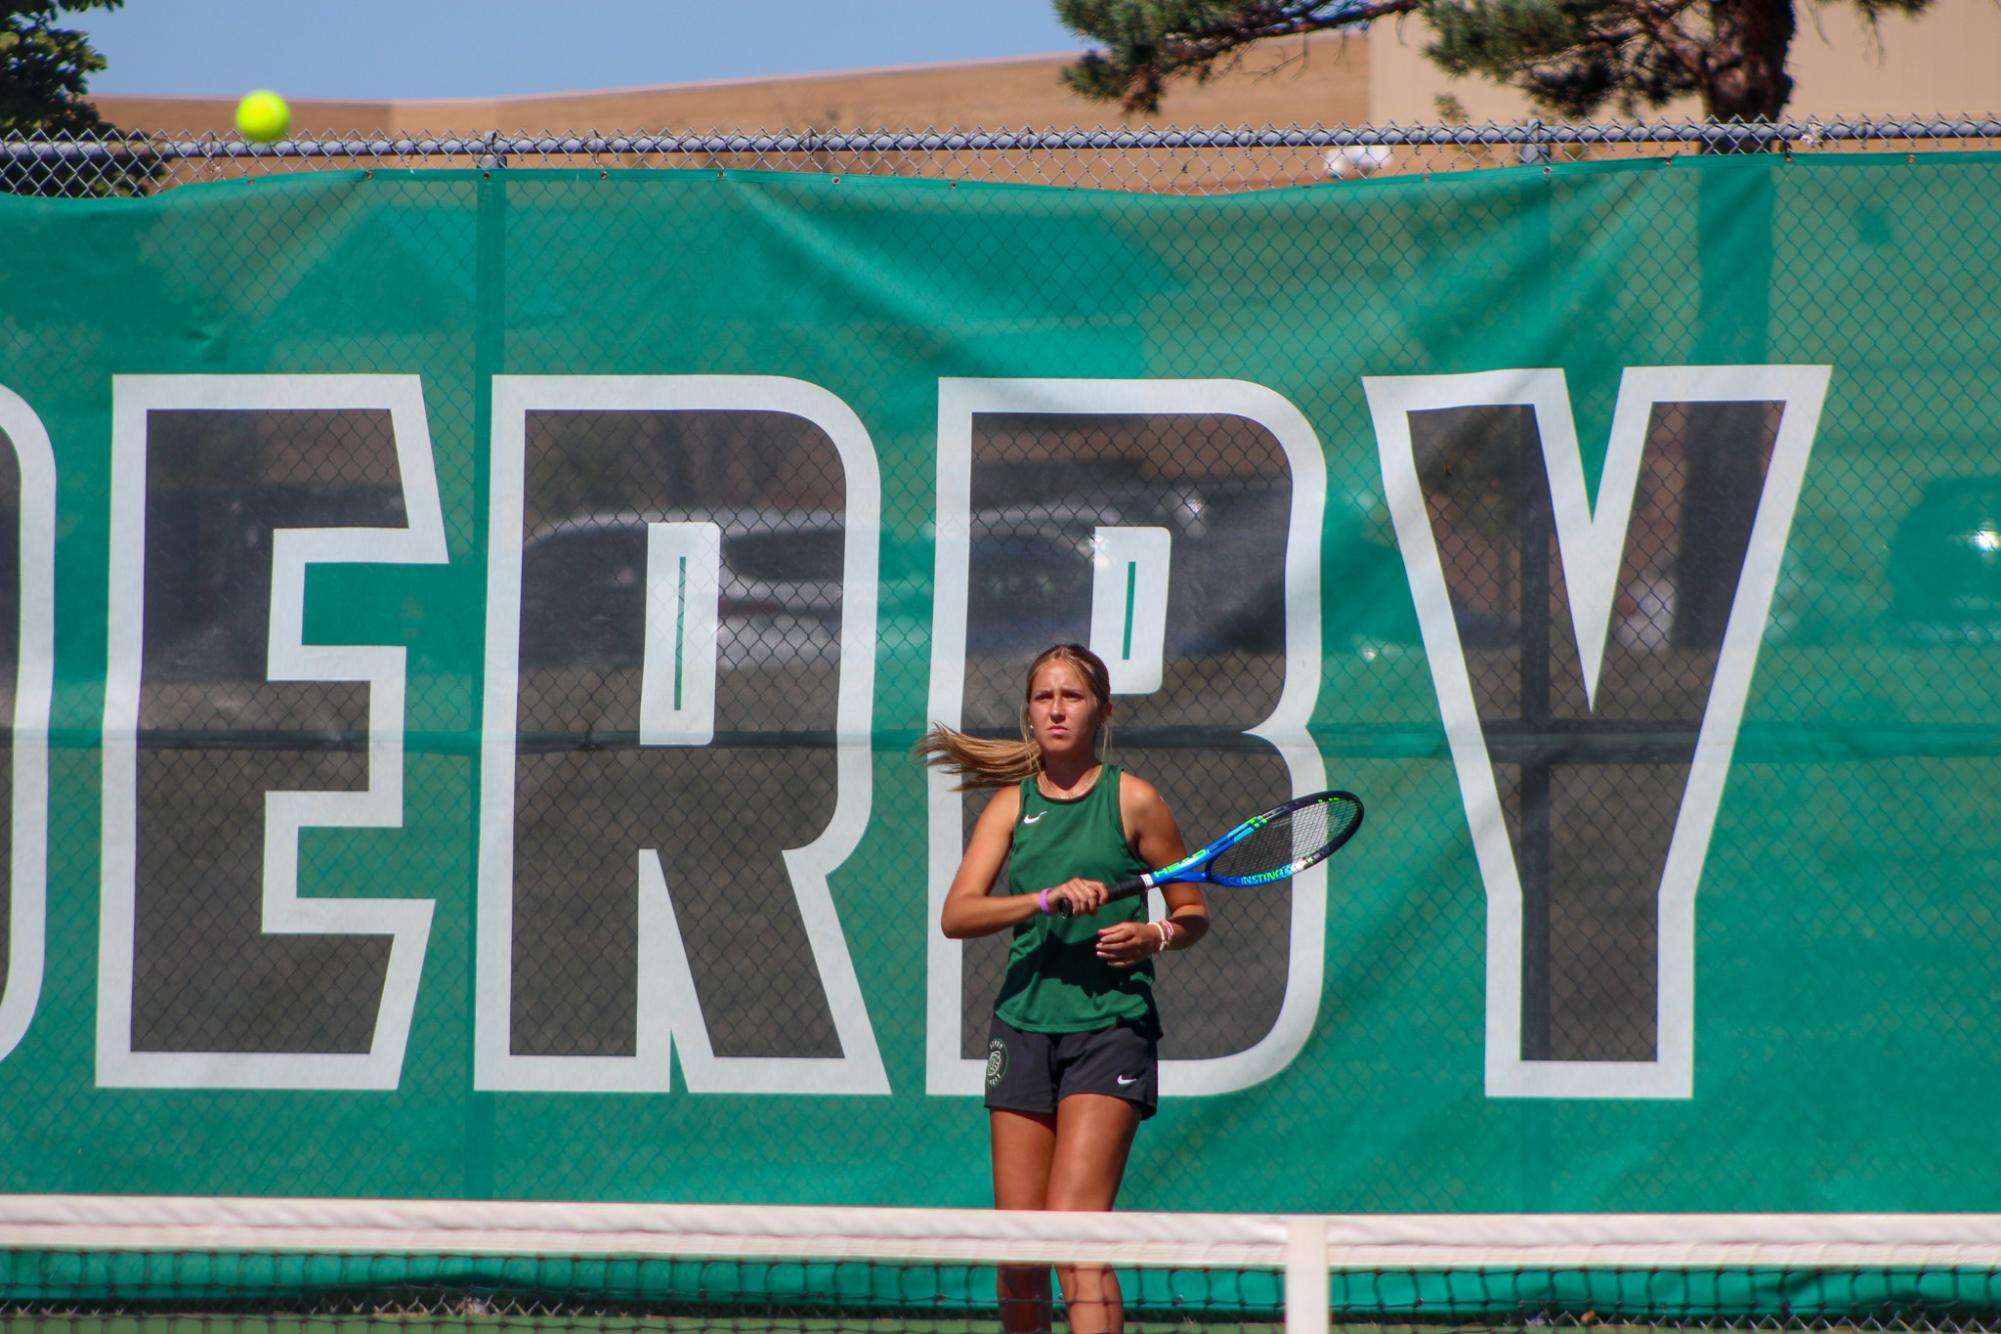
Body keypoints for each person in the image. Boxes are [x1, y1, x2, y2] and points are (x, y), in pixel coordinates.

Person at [921, 643, 1208, 1334]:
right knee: (1019, 1252)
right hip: (1021, 1029)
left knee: (1076, 1237)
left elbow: (1191, 912)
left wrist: (1154, 935)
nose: (1055, 709)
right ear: (1028, 712)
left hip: (1110, 1029)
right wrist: (1042, 899)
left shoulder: (1134, 800)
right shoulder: (1008, 807)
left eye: (1071, 696)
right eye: (1044, 697)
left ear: (1101, 712)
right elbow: (957, 915)